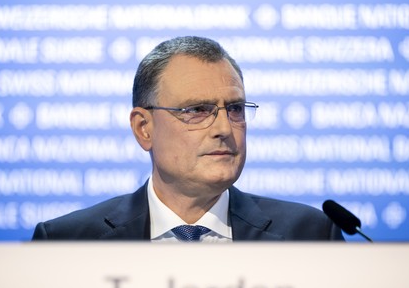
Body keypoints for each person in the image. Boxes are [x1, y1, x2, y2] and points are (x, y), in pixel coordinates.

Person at [32, 36, 343, 242]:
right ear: (144, 128)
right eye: (197, 110)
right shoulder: (68, 241)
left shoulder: (310, 235)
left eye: (234, 109)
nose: (224, 127)